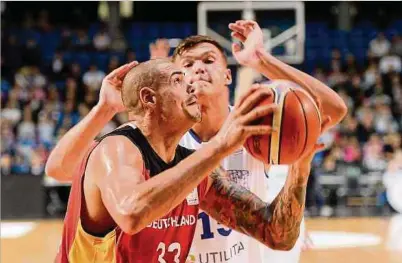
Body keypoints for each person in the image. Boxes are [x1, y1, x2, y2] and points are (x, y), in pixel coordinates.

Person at [52, 58, 319, 263]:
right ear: (149, 98)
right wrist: (219, 146)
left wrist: (300, 165)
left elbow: (277, 234)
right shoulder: (117, 148)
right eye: (178, 79)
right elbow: (132, 213)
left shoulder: (195, 169)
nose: (191, 84)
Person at [168, 20, 346, 263]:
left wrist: (260, 60)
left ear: (227, 75)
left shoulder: (253, 122)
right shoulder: (165, 140)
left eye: (208, 61)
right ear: (176, 81)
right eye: (188, 64)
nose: (198, 68)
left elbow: (333, 110)